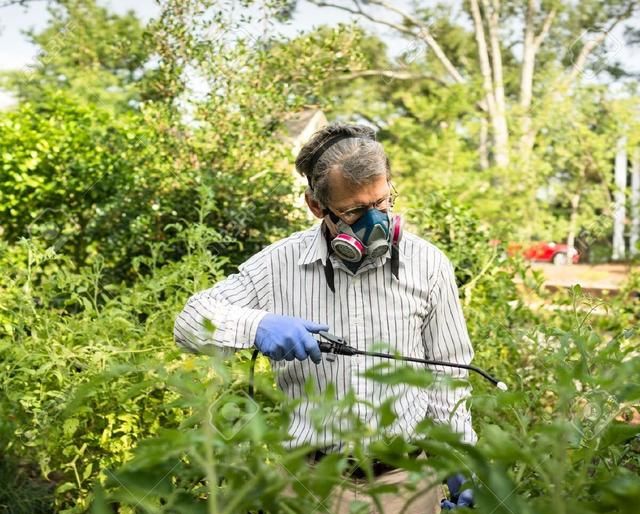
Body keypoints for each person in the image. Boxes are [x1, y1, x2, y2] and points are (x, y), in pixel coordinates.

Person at [174, 122, 477, 513]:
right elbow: (189, 323)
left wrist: (462, 462)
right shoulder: (278, 265)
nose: (376, 223)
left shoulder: (429, 264)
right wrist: (257, 325)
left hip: (408, 483)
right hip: (309, 483)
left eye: (382, 204)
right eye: (354, 211)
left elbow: (448, 377)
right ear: (317, 206)